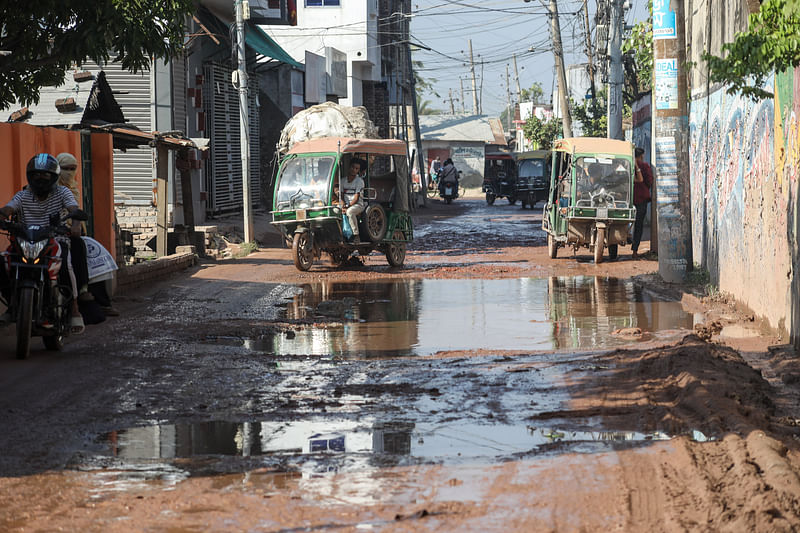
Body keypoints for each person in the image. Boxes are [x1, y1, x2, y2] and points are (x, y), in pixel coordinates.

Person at [0, 153, 86, 333]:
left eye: (45, 175)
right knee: (3, 264)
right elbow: (9, 207)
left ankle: (75, 310)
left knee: (65, 266)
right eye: (36, 175)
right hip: (25, 241)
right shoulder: (23, 195)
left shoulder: (63, 192)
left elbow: (73, 208)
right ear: (29, 176)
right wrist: (2, 215)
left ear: (53, 176)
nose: (40, 179)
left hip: (54, 239)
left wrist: (76, 224)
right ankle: (12, 306)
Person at [56, 152, 119, 317]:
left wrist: (76, 226)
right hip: (47, 234)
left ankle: (95, 299)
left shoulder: (72, 190)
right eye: (65, 169)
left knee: (92, 257)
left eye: (72, 168)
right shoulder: (50, 190)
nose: (69, 173)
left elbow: (75, 212)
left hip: (70, 233)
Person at [632, 147, 653, 259]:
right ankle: (634, 251)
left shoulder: (627, 165)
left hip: (629, 198)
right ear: (641, 156)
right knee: (639, 225)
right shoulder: (644, 166)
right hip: (641, 199)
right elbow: (649, 181)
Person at [342, 158, 366, 245]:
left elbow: (356, 198)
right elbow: (341, 196)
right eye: (353, 167)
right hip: (345, 204)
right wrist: (343, 205)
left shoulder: (359, 181)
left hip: (357, 205)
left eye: (356, 169)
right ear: (349, 167)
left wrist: (347, 206)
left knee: (350, 212)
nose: (354, 170)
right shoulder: (343, 180)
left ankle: (356, 235)